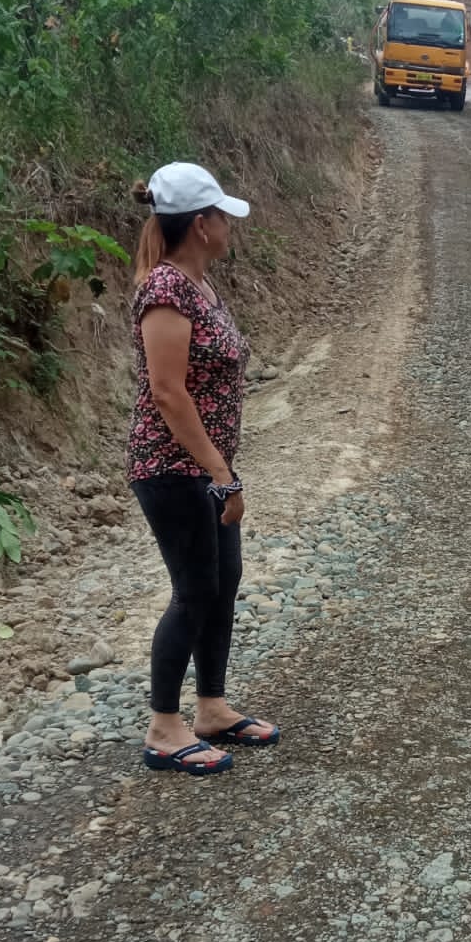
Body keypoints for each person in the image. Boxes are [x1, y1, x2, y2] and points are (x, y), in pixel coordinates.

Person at [126, 162, 280, 776]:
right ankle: (164, 727)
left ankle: (211, 707)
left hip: (207, 467)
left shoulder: (200, 285)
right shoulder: (166, 289)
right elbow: (167, 392)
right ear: (200, 224)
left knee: (223, 582)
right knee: (193, 590)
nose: (229, 226)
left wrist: (220, 469)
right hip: (171, 466)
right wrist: (220, 472)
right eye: (223, 215)